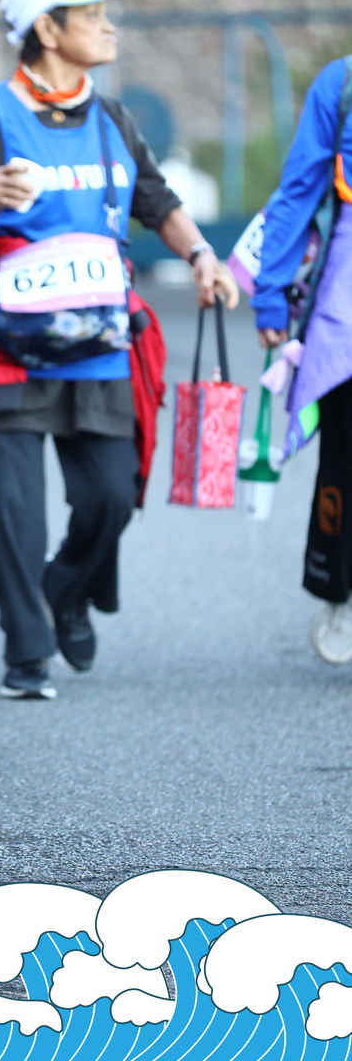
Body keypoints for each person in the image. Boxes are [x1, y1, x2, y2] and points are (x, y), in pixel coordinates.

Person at [0, 0, 237, 700]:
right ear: (47, 30)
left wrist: (201, 256)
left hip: (100, 346)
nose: (109, 28)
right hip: (9, 350)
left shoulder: (112, 118)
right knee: (14, 513)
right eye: (92, 16)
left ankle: (67, 589)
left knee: (112, 498)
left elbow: (156, 199)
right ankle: (27, 652)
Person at [252, 55, 352, 664]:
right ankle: (340, 590)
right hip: (345, 310)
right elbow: (298, 191)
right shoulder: (342, 84)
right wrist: (271, 292)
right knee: (345, 454)